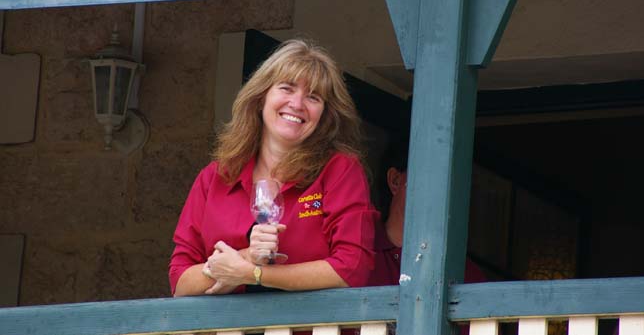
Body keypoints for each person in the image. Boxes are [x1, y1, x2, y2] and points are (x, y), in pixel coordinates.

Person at [169, 39, 378, 296]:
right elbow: (180, 282)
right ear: (261, 98)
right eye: (287, 88)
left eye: (313, 97)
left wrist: (252, 274)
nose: (297, 104)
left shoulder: (339, 170)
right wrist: (246, 256)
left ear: (324, 116)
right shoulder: (215, 177)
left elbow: (352, 268)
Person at [369, 135, 487, 286]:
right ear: (395, 181)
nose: (441, 190)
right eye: (430, 176)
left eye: (450, 183)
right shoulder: (358, 252)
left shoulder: (465, 274)